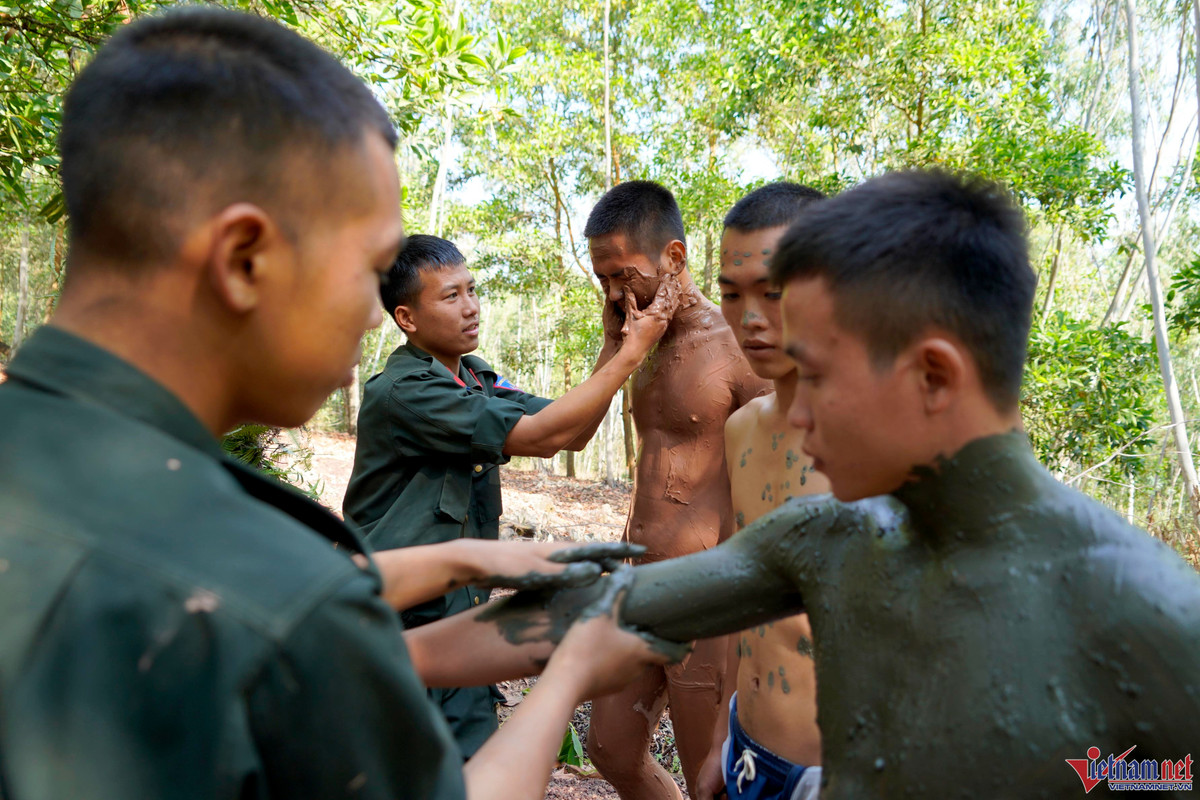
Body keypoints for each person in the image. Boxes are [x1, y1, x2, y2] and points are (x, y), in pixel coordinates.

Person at [0, 9, 676, 799]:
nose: (369, 314)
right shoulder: (276, 598)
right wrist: (569, 676)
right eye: (369, 268)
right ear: (244, 259)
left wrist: (465, 561)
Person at [468, 169, 1200, 797]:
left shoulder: (1148, 617)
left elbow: (1147, 771)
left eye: (817, 373)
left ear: (931, 373)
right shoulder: (827, 533)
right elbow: (612, 608)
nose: (792, 412)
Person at [344, 233, 679, 756]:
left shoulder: (472, 378)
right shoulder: (407, 392)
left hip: (456, 615)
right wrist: (631, 355)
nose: (471, 307)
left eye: (472, 290)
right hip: (404, 617)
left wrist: (615, 343)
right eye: (450, 296)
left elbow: (569, 432)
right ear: (407, 318)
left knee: (465, 757)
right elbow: (542, 437)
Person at [582, 181, 769, 800]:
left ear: (675, 258)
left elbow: (773, 483)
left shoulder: (739, 348)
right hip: (638, 581)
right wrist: (618, 346)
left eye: (624, 275)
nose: (614, 292)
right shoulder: (638, 340)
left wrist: (737, 606)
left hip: (708, 597)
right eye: (602, 278)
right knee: (608, 746)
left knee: (706, 778)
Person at [695, 183, 830, 800]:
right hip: (750, 755)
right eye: (731, 293)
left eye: (773, 293)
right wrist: (725, 734)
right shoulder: (741, 430)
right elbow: (748, 598)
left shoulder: (888, 445)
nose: (749, 319)